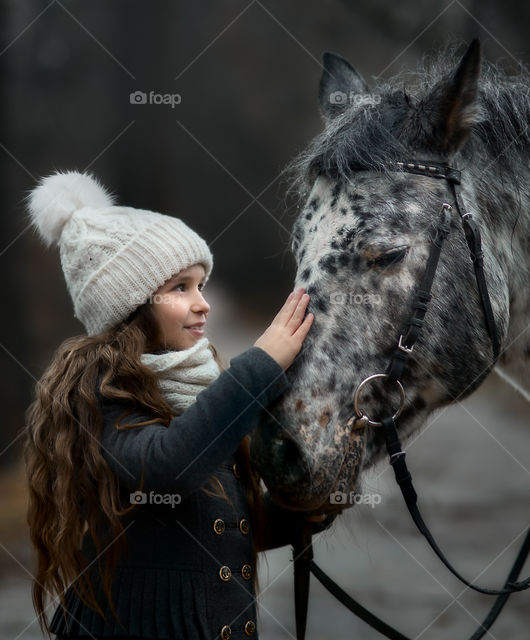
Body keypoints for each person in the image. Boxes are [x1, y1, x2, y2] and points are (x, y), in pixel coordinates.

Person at [22, 171, 335, 640]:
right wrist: (260, 366)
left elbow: (213, 527)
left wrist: (309, 504)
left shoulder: (193, 386)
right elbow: (168, 467)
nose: (203, 304)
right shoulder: (95, 393)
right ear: (130, 304)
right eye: (180, 287)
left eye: (201, 284)